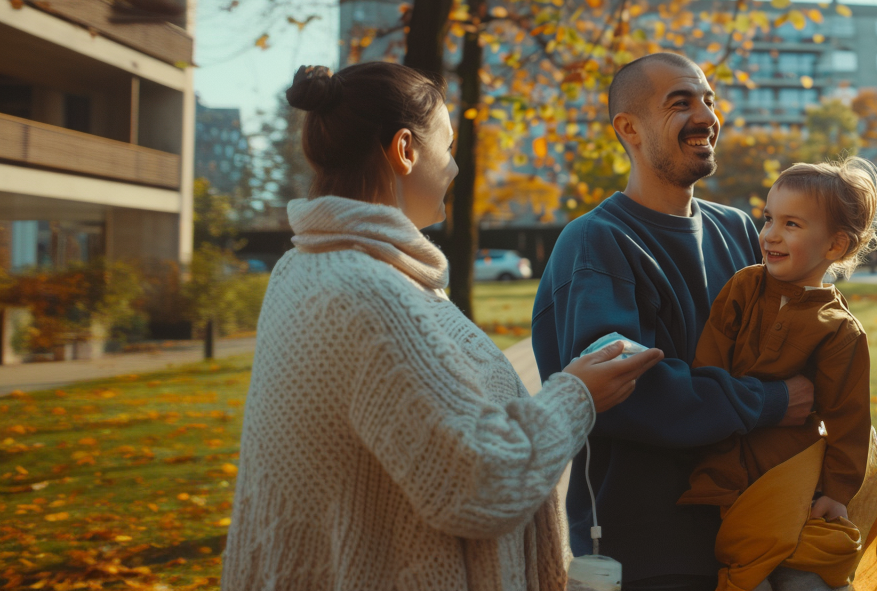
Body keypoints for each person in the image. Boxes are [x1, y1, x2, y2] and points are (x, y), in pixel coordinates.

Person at [223, 63, 663, 591]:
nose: (454, 167)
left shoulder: (314, 266)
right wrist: (577, 395)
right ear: (405, 150)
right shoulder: (365, 292)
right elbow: (478, 482)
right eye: (448, 146)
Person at [532, 53, 815, 591]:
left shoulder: (736, 228)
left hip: (763, 525)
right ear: (629, 128)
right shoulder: (596, 241)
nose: (706, 115)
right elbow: (626, 390)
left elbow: (789, 343)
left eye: (708, 100)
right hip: (656, 551)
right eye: (680, 103)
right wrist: (771, 402)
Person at [679, 158, 877, 591]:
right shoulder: (743, 287)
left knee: (802, 577)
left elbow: (851, 419)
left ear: (834, 246)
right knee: (747, 572)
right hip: (729, 473)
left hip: (792, 480)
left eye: (791, 224)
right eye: (769, 218)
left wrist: (836, 492)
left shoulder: (839, 329)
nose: (770, 234)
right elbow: (708, 368)